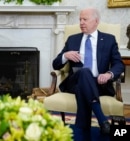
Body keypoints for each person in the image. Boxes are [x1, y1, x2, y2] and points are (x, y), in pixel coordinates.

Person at [52, 7, 124, 140]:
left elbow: (118, 64)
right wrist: (65, 56)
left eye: (85, 19)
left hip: (100, 83)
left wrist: (109, 74)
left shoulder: (109, 40)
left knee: (83, 89)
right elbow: (56, 64)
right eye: (80, 19)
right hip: (75, 81)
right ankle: (102, 120)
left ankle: (82, 132)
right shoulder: (72, 39)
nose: (81, 22)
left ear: (96, 21)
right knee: (84, 72)